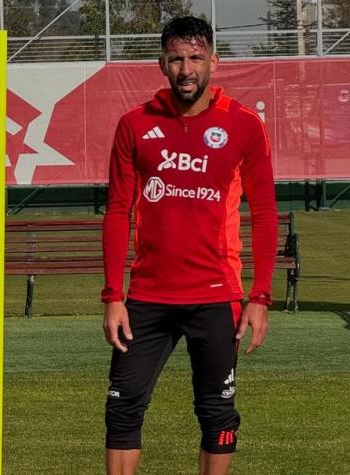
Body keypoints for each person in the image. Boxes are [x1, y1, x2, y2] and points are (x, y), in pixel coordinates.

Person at [100, 16, 278, 475]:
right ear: (162, 63)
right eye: (176, 58)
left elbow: (264, 213)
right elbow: (118, 211)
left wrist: (258, 296)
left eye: (196, 58)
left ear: (214, 62)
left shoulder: (243, 125)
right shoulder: (134, 125)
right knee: (122, 409)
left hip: (216, 296)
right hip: (146, 299)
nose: (186, 68)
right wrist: (113, 296)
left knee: (218, 417)